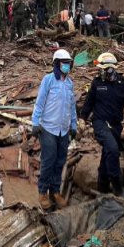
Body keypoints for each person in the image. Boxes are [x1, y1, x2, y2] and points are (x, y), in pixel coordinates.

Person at [80, 52, 124, 195]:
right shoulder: (97, 83)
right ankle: (117, 187)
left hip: (116, 126)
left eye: (102, 69)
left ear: (109, 69)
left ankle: (102, 188)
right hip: (100, 123)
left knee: (108, 153)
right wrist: (83, 118)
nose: (99, 72)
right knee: (113, 149)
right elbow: (89, 102)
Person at [31, 49, 77, 210]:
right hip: (48, 128)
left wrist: (74, 125)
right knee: (48, 161)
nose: (67, 66)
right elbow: (40, 102)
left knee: (60, 161)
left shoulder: (70, 83)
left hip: (63, 130)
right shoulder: (48, 80)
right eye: (64, 63)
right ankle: (43, 192)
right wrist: (35, 122)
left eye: (68, 63)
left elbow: (72, 106)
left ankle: (55, 191)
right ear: (57, 64)